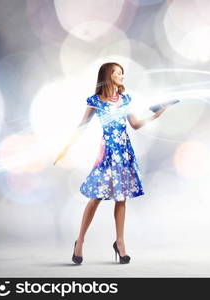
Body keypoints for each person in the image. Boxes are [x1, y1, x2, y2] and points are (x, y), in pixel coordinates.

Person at [53, 62, 168, 264]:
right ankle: (80, 241)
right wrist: (66, 149)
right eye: (118, 73)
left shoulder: (125, 100)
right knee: (95, 197)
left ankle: (120, 242)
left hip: (124, 154)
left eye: (122, 73)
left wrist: (155, 115)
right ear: (108, 75)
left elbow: (135, 125)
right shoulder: (96, 101)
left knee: (121, 197)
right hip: (106, 154)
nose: (122, 76)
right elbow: (82, 127)